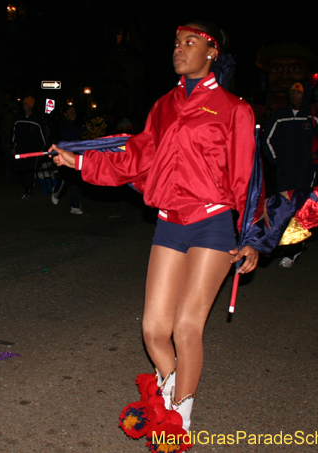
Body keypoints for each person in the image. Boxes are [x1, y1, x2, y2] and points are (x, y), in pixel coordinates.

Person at [51, 21, 258, 435]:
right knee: (153, 330)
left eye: (190, 43)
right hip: (169, 222)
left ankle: (180, 411)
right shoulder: (162, 106)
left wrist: (250, 236)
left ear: (212, 52)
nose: (179, 49)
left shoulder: (236, 109)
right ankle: (171, 382)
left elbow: (246, 177)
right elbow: (135, 159)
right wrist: (82, 163)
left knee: (186, 327)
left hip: (212, 222)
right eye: (177, 43)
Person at [263, 80, 318, 267]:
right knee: (281, 208)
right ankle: (279, 243)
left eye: (299, 92)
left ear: (306, 95)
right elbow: (267, 139)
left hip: (304, 172)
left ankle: (294, 250)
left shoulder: (312, 117)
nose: (295, 95)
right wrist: (276, 160)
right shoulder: (280, 115)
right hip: (284, 171)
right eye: (292, 91)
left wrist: (313, 157)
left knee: (299, 210)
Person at [11, 96, 47, 199]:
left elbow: (42, 135)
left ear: (31, 106)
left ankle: (28, 189)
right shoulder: (18, 119)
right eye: (23, 104)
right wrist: (13, 146)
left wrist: (42, 148)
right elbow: (13, 133)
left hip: (33, 150)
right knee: (20, 169)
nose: (24, 106)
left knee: (30, 169)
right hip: (21, 148)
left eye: (26, 104)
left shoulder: (36, 120)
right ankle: (24, 184)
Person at [51, 104, 84, 214]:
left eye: (74, 112)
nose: (73, 114)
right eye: (71, 112)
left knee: (77, 180)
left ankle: (75, 206)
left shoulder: (75, 125)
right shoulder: (65, 125)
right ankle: (56, 192)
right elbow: (72, 135)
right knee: (66, 180)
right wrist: (85, 129)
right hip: (67, 155)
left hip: (76, 156)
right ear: (65, 114)